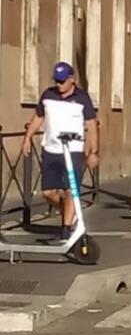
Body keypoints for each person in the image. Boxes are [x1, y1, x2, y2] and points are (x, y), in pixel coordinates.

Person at [21, 63, 99, 242]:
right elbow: (39, 116)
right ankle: (68, 213)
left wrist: (93, 152)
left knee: (70, 190)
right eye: (57, 81)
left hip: (73, 151)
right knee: (48, 192)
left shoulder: (82, 99)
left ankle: (66, 228)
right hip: (51, 149)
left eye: (62, 81)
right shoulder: (48, 95)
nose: (59, 85)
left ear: (72, 79)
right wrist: (27, 137)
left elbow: (91, 125)